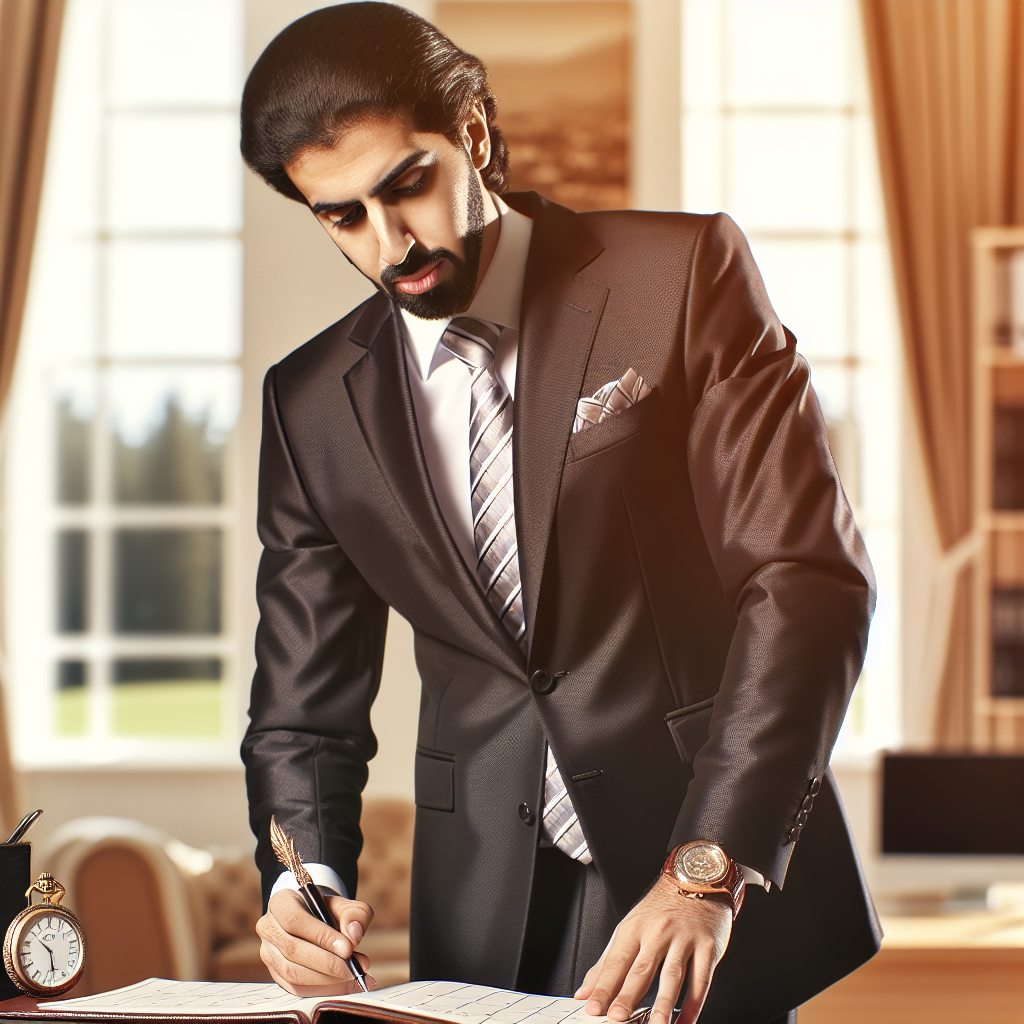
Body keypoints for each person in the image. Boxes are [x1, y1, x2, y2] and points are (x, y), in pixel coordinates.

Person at [239, 6, 880, 1024]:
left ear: (475, 133)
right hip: (484, 902)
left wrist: (705, 870)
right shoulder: (310, 401)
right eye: (342, 216)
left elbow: (802, 580)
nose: (390, 241)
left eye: (407, 184)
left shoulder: (678, 277)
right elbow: (301, 704)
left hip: (695, 870)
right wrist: (299, 875)